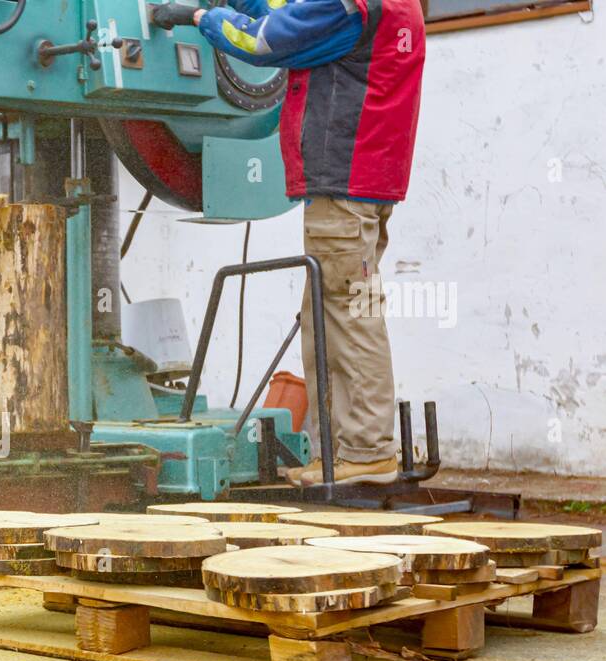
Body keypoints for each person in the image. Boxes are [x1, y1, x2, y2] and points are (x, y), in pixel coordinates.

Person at [156, 0, 426, 485]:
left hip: (341, 187)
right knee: (335, 317)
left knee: (346, 317)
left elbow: (263, 41)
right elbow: (290, 15)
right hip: (365, 185)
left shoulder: (348, 5)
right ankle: (348, 453)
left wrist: (199, 18)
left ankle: (365, 450)